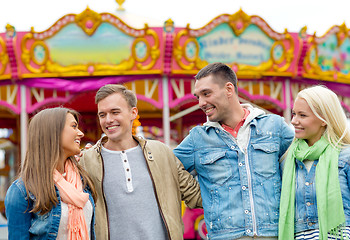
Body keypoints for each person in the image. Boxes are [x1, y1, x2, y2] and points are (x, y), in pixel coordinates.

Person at [173, 62, 294, 240]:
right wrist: (200, 196)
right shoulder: (198, 139)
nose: (200, 103)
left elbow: (302, 166)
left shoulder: (274, 127)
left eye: (206, 94)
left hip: (274, 234)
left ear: (229, 89)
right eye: (198, 96)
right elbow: (167, 168)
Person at [79, 84, 202, 240]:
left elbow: (196, 195)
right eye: (102, 115)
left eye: (115, 112)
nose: (108, 120)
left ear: (133, 113)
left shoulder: (162, 153)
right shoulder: (85, 161)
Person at [5, 107, 97, 240]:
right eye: (74, 126)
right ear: (53, 132)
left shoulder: (83, 179)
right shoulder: (22, 191)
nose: (81, 133)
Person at [278, 85, 350, 240]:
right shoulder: (288, 161)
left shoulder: (346, 157)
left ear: (324, 119)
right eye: (294, 114)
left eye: (302, 115)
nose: (294, 121)